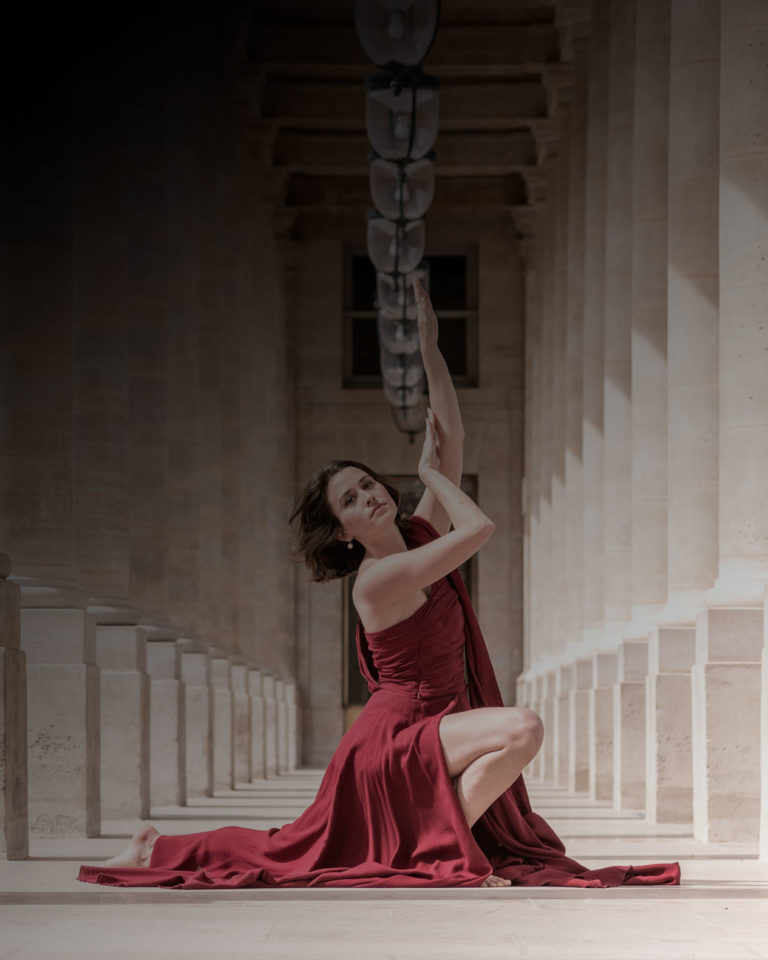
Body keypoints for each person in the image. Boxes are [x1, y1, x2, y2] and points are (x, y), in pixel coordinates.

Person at [78, 279, 680, 889]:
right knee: (303, 846)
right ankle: (424, 851)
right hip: (394, 739)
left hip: (433, 723)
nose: (368, 496)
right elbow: (480, 525)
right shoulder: (379, 578)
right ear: (341, 531)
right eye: (351, 499)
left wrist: (431, 351)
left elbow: (453, 440)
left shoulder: (418, 537)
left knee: (298, 846)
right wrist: (426, 472)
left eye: (368, 485)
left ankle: (425, 849)